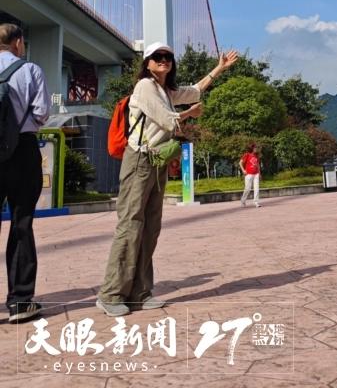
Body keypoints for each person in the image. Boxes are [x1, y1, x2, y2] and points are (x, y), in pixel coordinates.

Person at [96, 44, 239, 316]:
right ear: (147, 63)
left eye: (168, 57)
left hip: (156, 161)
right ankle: (111, 293)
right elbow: (167, 120)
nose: (163, 61)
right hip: (138, 160)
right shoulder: (145, 87)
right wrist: (189, 114)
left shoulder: (166, 91)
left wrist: (219, 68)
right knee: (130, 224)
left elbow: (194, 91)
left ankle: (140, 292)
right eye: (157, 57)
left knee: (150, 227)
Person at [0, 23, 50, 323]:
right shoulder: (30, 70)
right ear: (18, 42)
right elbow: (42, 112)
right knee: (21, 223)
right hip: (22, 151)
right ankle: (20, 302)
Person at [239, 143, 261, 208]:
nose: (256, 149)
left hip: (256, 174)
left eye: (257, 148)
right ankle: (243, 200)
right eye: (255, 148)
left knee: (256, 188)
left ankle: (256, 202)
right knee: (247, 189)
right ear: (252, 148)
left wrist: (259, 173)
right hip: (248, 174)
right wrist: (243, 170)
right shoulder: (247, 155)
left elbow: (258, 165)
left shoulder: (256, 156)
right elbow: (240, 163)